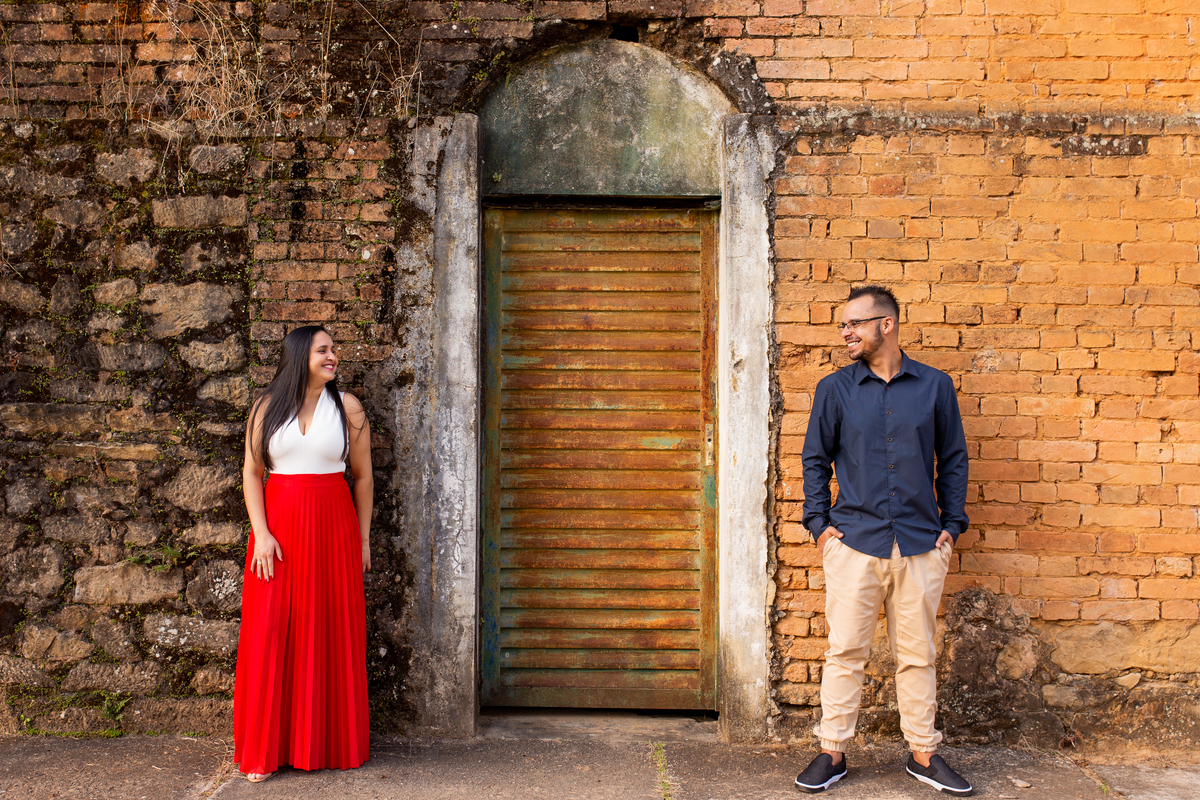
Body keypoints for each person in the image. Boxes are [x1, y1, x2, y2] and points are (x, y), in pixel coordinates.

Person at [794, 286, 972, 796]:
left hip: (920, 543)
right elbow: (814, 458)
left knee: (918, 655)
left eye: (854, 324)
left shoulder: (935, 387)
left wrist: (951, 526)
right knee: (845, 650)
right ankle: (832, 752)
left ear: (885, 325)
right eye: (842, 326)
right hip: (853, 542)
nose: (846, 333)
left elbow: (953, 458)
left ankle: (923, 753)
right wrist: (819, 526)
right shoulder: (835, 389)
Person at [233, 325, 373, 783]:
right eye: (324, 350)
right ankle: (264, 751)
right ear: (300, 356)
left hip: (334, 528)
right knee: (270, 630)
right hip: (277, 533)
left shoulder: (348, 407)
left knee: (328, 628)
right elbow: (252, 473)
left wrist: (364, 539)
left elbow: (364, 478)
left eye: (334, 349)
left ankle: (326, 745)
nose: (333, 356)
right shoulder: (266, 407)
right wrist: (262, 532)